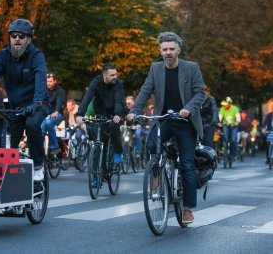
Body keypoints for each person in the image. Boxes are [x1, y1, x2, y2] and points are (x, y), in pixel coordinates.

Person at [127, 32, 205, 224]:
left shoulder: (191, 68)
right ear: (160, 51)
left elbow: (200, 93)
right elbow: (145, 90)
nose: (168, 52)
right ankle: (157, 175)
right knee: (152, 145)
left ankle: (187, 208)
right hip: (164, 119)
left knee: (187, 164)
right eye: (165, 49)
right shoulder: (156, 68)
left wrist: (188, 109)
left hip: (185, 121)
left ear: (178, 50)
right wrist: (134, 111)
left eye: (171, 49)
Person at [0, 18, 49, 181]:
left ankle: (38, 164)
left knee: (32, 124)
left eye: (22, 36)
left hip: (37, 105)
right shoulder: (3, 55)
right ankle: (6, 181)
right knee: (5, 141)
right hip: (15, 107)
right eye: (13, 36)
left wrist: (37, 103)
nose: (17, 39)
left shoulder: (36, 56)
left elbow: (41, 80)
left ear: (29, 39)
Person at [75, 63, 128, 185]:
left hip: (114, 112)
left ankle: (117, 151)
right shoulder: (96, 82)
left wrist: (118, 114)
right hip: (100, 113)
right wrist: (80, 114)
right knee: (98, 144)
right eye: (112, 75)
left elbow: (119, 100)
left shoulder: (118, 83)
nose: (115, 76)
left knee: (115, 126)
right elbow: (88, 97)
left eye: (116, 74)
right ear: (105, 76)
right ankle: (96, 177)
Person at [41, 73, 66, 155]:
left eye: (50, 81)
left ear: (55, 81)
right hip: (47, 114)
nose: (48, 83)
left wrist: (56, 111)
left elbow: (59, 102)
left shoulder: (60, 91)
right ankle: (38, 150)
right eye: (47, 81)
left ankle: (54, 147)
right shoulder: (44, 90)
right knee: (40, 128)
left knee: (48, 123)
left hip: (58, 114)